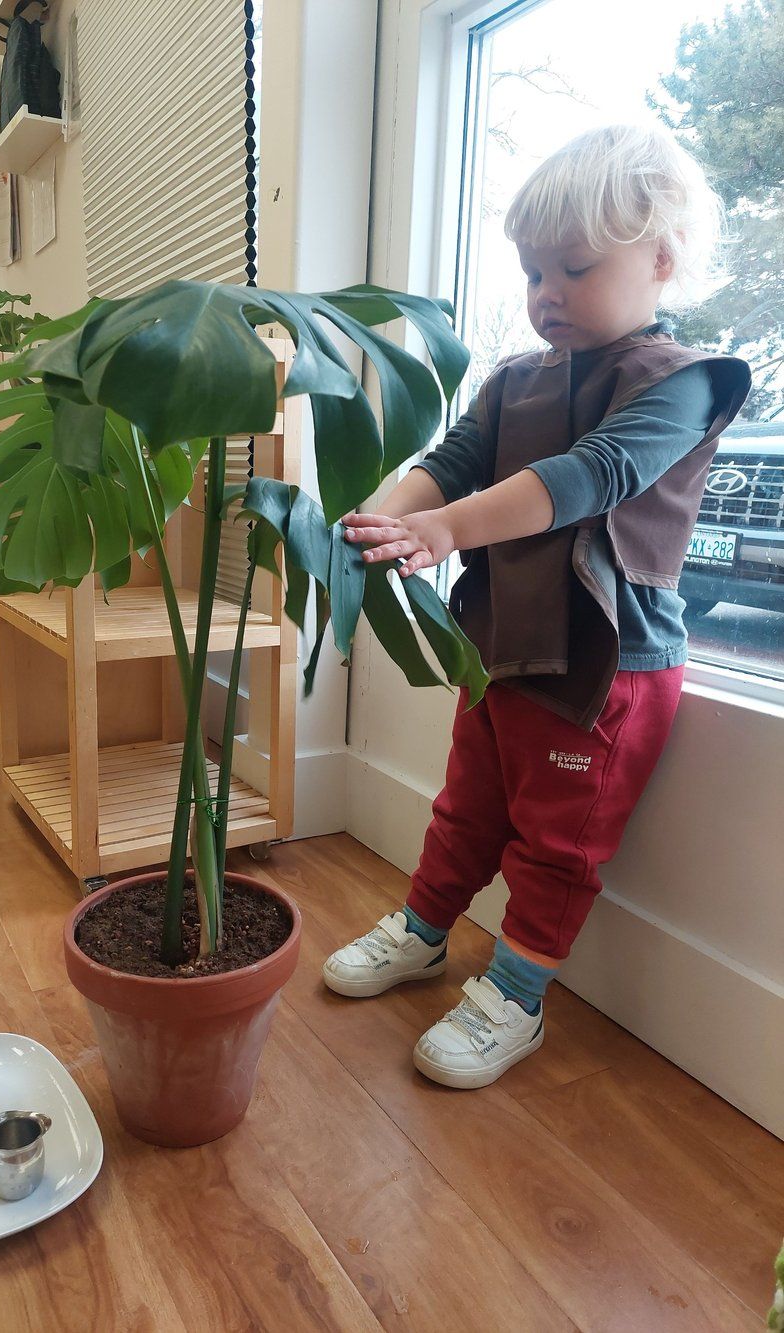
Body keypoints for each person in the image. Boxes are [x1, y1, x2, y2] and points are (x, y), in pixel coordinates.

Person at [322, 124, 751, 1089]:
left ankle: (515, 994)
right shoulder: (516, 378)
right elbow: (452, 464)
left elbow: (590, 476)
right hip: (501, 645)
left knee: (559, 842)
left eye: (574, 267)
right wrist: (382, 518)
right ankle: (425, 932)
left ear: (662, 259)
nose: (546, 293)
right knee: (467, 805)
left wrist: (444, 534)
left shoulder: (680, 382)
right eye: (530, 272)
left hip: (607, 668)